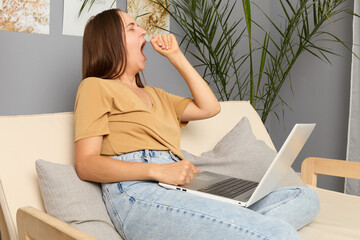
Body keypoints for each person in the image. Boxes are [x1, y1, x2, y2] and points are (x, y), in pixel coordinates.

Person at [74, 8, 320, 240]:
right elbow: (86, 164)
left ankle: (234, 226)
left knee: (305, 197)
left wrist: (176, 57)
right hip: (138, 191)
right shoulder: (95, 86)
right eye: (131, 28)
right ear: (110, 43)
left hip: (181, 186)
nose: (143, 32)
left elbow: (210, 107)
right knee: (278, 233)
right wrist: (157, 170)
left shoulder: (157, 95)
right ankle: (240, 227)